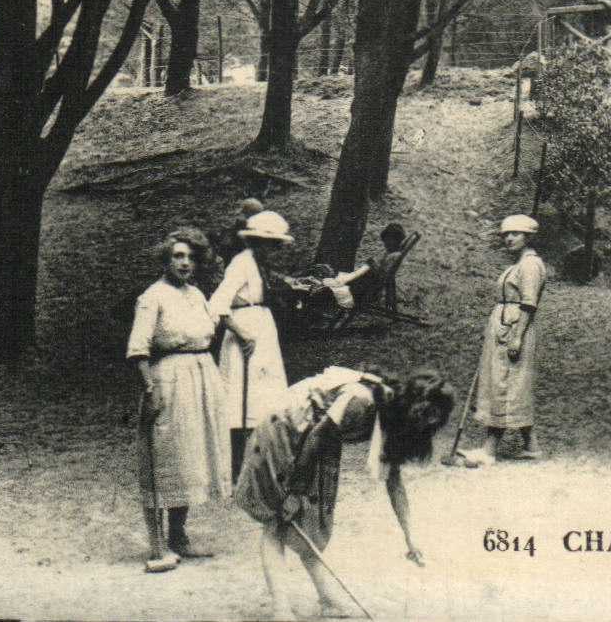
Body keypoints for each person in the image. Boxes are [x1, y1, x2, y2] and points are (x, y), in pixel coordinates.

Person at [234, 366, 453, 619]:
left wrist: (410, 538)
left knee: (312, 525)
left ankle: (329, 601)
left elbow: (394, 482)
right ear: (414, 403)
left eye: (437, 417)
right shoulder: (361, 400)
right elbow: (318, 435)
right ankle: (281, 610)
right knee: (278, 521)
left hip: (314, 442)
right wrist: (295, 492)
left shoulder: (394, 416)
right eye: (427, 413)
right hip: (286, 429)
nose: (431, 422)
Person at [129, 227, 233, 572]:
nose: (185, 263)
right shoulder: (152, 297)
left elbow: (206, 334)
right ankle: (158, 545)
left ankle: (179, 535)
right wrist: (149, 390)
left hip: (202, 378)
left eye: (190, 256)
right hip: (168, 380)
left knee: (193, 458)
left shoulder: (197, 294)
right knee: (167, 458)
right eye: (178, 256)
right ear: (166, 259)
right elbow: (138, 350)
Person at [210, 209, 293, 478]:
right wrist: (242, 333)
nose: (275, 250)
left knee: (263, 399)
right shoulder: (241, 263)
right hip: (245, 336)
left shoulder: (258, 264)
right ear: (257, 241)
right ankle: (238, 471)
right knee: (239, 404)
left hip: (262, 332)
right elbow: (218, 305)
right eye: (271, 244)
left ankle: (260, 466)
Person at [465, 214, 548, 464]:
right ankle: (531, 446)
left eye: (516, 234)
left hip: (513, 328)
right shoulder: (518, 264)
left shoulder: (530, 265)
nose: (509, 238)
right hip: (504, 326)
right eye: (506, 234)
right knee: (510, 384)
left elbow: (529, 303)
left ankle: (489, 450)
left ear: (529, 237)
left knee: (505, 384)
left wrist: (516, 337)